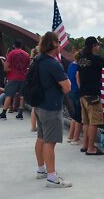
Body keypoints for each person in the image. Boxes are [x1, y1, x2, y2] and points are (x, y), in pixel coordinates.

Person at [32, 31, 72, 188]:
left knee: (41, 138)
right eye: (59, 42)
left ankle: (41, 169)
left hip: (40, 105)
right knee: (50, 142)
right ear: (54, 44)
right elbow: (67, 87)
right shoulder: (53, 63)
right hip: (51, 107)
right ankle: (52, 178)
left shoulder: (37, 60)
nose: (60, 46)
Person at [0, 40, 31, 120]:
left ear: (14, 45)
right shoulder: (27, 55)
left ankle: (4, 113)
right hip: (23, 77)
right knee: (22, 96)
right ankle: (20, 113)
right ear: (21, 45)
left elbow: (6, 68)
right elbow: (28, 67)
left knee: (9, 95)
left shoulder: (12, 53)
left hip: (13, 77)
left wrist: (13, 69)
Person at [66, 51, 82, 145]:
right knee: (79, 116)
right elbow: (78, 77)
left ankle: (70, 136)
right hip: (77, 91)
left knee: (75, 115)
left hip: (71, 90)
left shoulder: (71, 65)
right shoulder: (78, 67)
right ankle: (75, 138)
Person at [29, 45, 40, 132]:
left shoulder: (32, 61)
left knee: (34, 107)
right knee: (37, 107)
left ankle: (33, 126)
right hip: (38, 86)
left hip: (32, 85)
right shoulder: (39, 61)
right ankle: (35, 126)